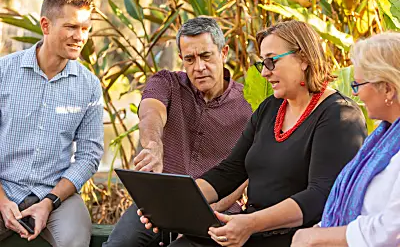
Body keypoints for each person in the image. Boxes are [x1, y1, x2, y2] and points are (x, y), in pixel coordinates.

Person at [139, 20, 368, 246]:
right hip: (250, 232)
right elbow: (230, 171)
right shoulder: (271, 108)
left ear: (304, 59)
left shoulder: (340, 115)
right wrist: (170, 203)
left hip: (295, 239)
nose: (266, 73)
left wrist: (250, 223)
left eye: (272, 62)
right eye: (263, 64)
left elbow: (320, 196)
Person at [103, 17, 253, 247]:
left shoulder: (249, 104)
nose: (199, 67)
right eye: (190, 59)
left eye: (206, 56)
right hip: (159, 204)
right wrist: (154, 146)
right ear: (181, 59)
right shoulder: (167, 82)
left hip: (217, 211)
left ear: (223, 53)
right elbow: (151, 113)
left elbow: (247, 170)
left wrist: (212, 209)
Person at [0, 0, 104, 247]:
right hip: (3, 187)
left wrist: (49, 202)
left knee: (75, 238)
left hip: (57, 196)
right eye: (71, 27)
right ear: (45, 25)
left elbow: (89, 156)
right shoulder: (4, 72)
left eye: (85, 28)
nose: (80, 37)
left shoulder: (89, 86)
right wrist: (1, 201)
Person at [291, 32, 400, 247]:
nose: (356, 94)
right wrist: (323, 228)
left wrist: (317, 237)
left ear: (387, 88)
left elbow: (392, 228)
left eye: (359, 85)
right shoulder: (381, 139)